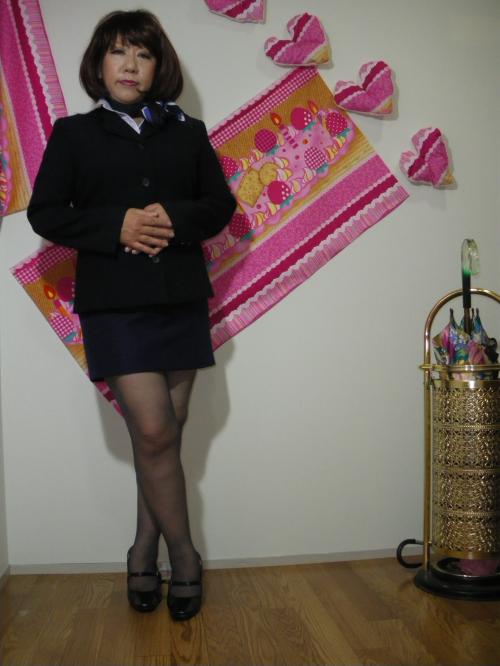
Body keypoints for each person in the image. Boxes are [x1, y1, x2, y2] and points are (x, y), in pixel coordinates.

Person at [27, 9, 236, 621]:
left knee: (166, 433)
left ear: (157, 67)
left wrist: (176, 218)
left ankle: (143, 549)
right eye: (118, 52)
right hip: (115, 306)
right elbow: (46, 214)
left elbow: (218, 205)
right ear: (99, 63)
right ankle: (185, 556)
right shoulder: (74, 134)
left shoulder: (188, 131)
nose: (129, 64)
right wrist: (114, 225)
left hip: (179, 301)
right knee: (155, 433)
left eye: (143, 55)